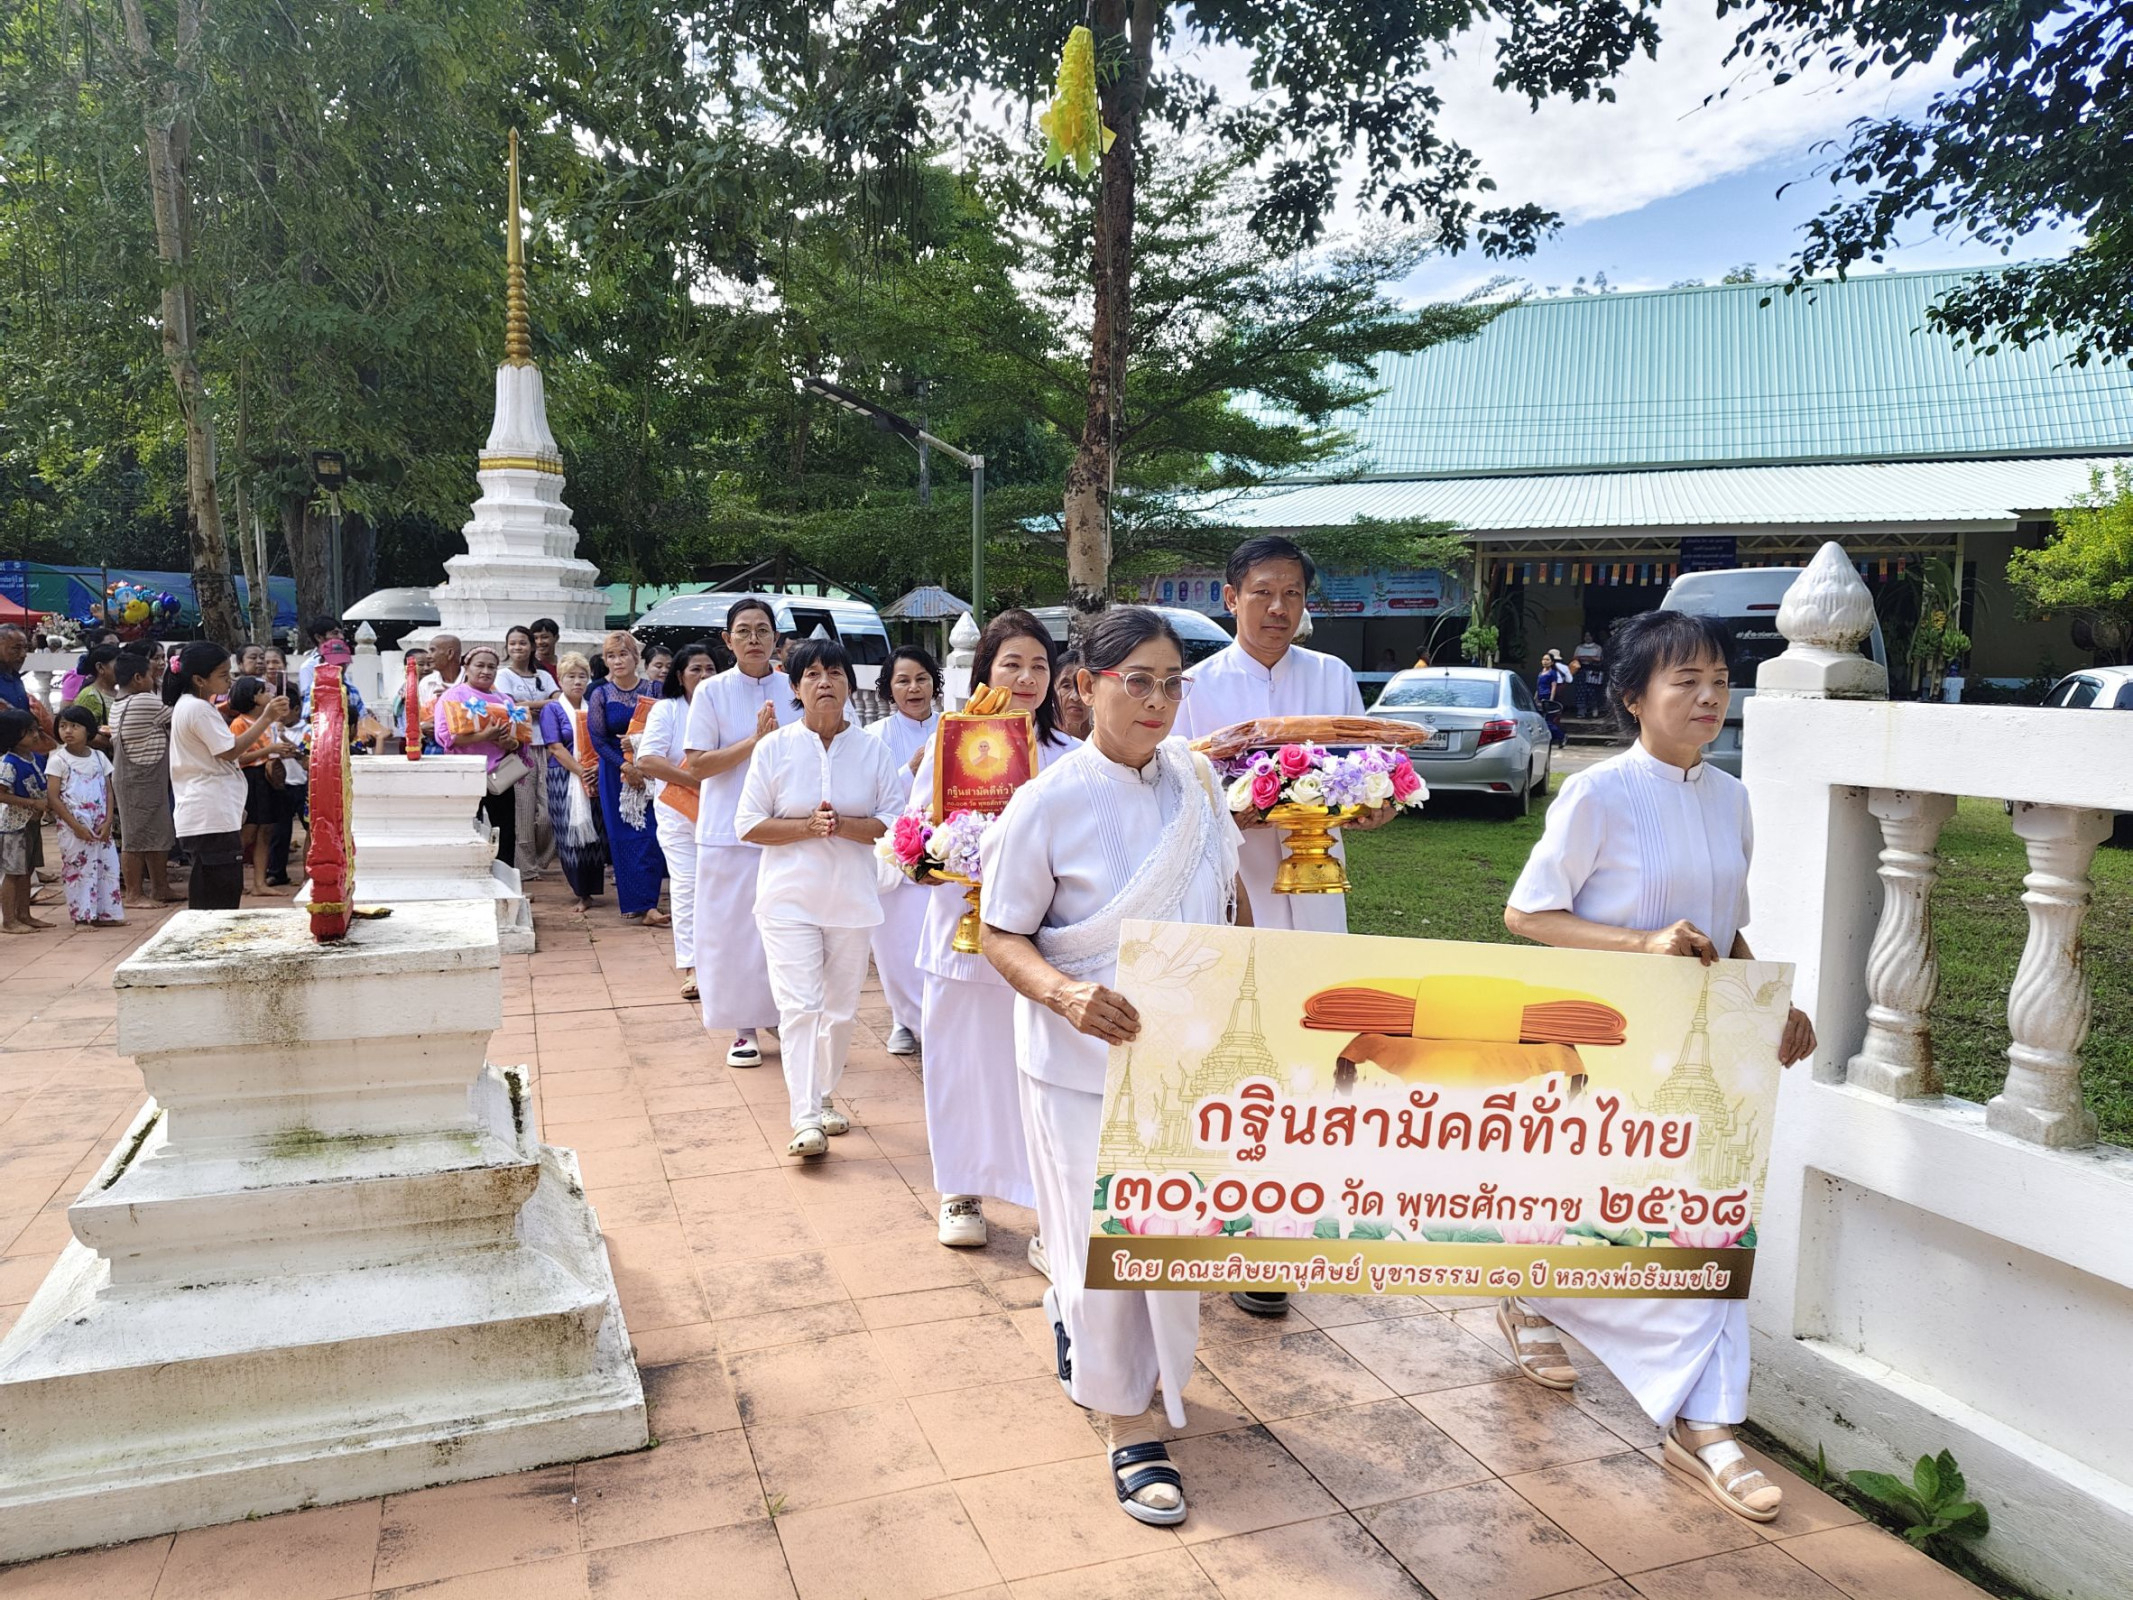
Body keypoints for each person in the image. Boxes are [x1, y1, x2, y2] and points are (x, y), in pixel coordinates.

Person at [1502, 609, 1817, 1524]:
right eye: (1683, 680)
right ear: (1634, 696)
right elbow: (1529, 914)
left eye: (1718, 678)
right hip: (1605, 1045)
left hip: (1706, 1054)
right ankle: (1529, 1298)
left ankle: (1705, 1423)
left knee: (1707, 1223)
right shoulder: (1595, 794)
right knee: (1598, 1207)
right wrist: (1639, 943)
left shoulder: (1729, 797)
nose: (1708, 695)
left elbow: (1725, 924)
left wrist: (1771, 1001)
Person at [981, 605, 1244, 1528]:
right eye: (1137, 680)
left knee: (1168, 1244)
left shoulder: (1200, 784)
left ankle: (1112, 1357)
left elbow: (1230, 897)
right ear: (1085, 686)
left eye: (1173, 683)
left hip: (1183, 1062)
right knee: (1106, 1251)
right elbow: (998, 931)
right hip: (1077, 1064)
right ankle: (1125, 1423)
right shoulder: (1043, 801)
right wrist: (1065, 996)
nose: (1158, 701)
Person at [1175, 535, 1391, 1318]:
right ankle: (1224, 1217)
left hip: (1317, 889)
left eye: (1293, 594)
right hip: (1235, 893)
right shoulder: (1195, 686)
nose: (1277, 608)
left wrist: (1370, 804)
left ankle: (1274, 1236)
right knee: (1236, 1053)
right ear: (1229, 598)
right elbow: (1182, 794)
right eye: (1262, 592)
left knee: (1309, 1050)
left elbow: (1367, 782)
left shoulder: (1330, 676)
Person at [908, 609, 1077, 1252]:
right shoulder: (953, 745)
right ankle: (960, 1192)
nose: (1027, 677)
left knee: (1038, 1078)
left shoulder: (1072, 756)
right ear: (984, 671)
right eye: (1012, 663)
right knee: (960, 1067)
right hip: (961, 936)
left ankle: (1047, 1217)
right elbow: (914, 835)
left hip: (1045, 944)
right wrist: (939, 855)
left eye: (1039, 664)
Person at [736, 639, 908, 1158]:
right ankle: (804, 1115)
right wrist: (807, 827)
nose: (825, 681)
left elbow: (895, 823)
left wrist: (844, 826)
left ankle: (823, 1095)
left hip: (853, 899)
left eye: (834, 672)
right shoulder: (774, 748)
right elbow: (747, 825)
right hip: (787, 900)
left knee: (839, 1010)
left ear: (849, 685)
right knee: (799, 1007)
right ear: (795, 688)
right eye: (811, 674)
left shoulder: (873, 750)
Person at [685, 598, 800, 1067]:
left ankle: (782, 1016)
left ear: (776, 638)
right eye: (744, 631)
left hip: (787, 829)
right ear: (728, 639)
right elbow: (696, 764)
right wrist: (754, 743)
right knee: (731, 934)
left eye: (762, 630)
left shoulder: (796, 687)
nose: (754, 639)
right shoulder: (711, 691)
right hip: (726, 832)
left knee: (785, 928)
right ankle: (742, 1028)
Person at [166, 642, 290, 911]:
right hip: (208, 811)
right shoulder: (197, 709)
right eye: (223, 675)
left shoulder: (194, 706)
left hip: (210, 809)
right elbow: (230, 750)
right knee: (217, 896)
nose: (229, 680)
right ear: (200, 679)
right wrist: (266, 718)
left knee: (216, 889)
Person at [865, 645, 941, 1055]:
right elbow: (870, 796)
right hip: (895, 853)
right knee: (896, 947)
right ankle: (902, 1018)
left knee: (934, 942)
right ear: (888, 689)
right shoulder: (874, 738)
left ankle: (932, 1021)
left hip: (947, 852)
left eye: (922, 678)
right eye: (903, 681)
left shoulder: (953, 727)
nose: (914, 688)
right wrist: (909, 770)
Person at [634, 642, 715, 999]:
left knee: (726, 888)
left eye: (710, 669)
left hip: (723, 811)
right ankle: (693, 967)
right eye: (695, 669)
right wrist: (696, 780)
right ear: (680, 676)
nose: (703, 675)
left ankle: (726, 963)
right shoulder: (667, 710)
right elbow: (648, 761)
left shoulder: (724, 706)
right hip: (679, 812)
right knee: (687, 887)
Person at [588, 631, 668, 925]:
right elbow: (598, 739)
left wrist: (638, 747)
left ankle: (650, 903)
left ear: (636, 657)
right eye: (611, 656)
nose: (617, 661)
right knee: (624, 836)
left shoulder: (655, 689)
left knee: (652, 835)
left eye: (623, 654)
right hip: (615, 773)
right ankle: (635, 903)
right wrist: (625, 765)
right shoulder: (600, 693)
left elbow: (667, 727)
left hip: (652, 769)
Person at [435, 644, 528, 869]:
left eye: (492, 667)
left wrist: (509, 742)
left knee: (504, 828)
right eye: (480, 665)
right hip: (465, 773)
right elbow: (444, 736)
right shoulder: (452, 696)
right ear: (466, 667)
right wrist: (484, 735)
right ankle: (468, 873)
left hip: (500, 773)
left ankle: (504, 877)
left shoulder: (504, 699)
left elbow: (519, 740)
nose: (486, 671)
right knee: (468, 826)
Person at [538, 652, 607, 913]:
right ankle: (580, 891)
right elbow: (555, 747)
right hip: (564, 776)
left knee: (595, 834)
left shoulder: (594, 707)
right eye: (571, 677)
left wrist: (595, 768)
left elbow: (603, 741)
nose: (577, 682)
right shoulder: (552, 709)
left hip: (595, 773)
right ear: (560, 679)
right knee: (570, 834)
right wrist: (580, 770)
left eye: (582, 676)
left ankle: (592, 889)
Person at [109, 653, 179, 906]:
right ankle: (134, 894)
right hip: (138, 778)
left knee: (157, 833)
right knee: (135, 837)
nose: (154, 679)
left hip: (147, 777)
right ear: (138, 678)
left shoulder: (122, 701)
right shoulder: (142, 701)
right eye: (150, 675)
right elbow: (177, 714)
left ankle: (161, 888)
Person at [47, 705, 123, 926]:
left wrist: (108, 820)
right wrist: (75, 826)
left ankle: (106, 913)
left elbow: (108, 790)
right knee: (78, 869)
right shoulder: (58, 760)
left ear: (88, 730)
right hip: (74, 826)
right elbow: (53, 797)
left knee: (106, 867)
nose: (67, 731)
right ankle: (82, 916)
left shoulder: (99, 757)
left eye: (74, 726)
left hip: (100, 824)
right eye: (62, 726)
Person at [497, 625, 559, 881]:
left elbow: (559, 700)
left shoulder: (543, 676)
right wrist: (541, 706)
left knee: (549, 811)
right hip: (520, 749)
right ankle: (526, 869)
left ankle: (542, 859)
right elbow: (509, 706)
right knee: (523, 810)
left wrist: (529, 707)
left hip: (549, 746)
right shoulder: (503, 675)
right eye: (512, 643)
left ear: (532, 646)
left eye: (523, 643)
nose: (517, 648)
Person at [229, 676, 299, 897]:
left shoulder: (269, 724)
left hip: (268, 776)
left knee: (266, 831)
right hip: (251, 776)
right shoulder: (240, 723)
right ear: (254, 698)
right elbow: (238, 757)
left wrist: (284, 749)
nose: (269, 695)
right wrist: (269, 751)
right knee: (248, 831)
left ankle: (260, 883)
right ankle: (233, 878)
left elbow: (273, 746)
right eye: (264, 692)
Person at [0, 708, 50, 933]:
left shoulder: (34, 758)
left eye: (35, 730)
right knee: (13, 872)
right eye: (29, 732)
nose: (36, 736)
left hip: (32, 823)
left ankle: (24, 913)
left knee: (26, 870)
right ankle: (9, 919)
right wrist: (30, 803)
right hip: (14, 826)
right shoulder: (8, 763)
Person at [296, 617, 343, 702]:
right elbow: (308, 701)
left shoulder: (341, 662)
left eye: (341, 633)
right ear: (318, 637)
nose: (341, 637)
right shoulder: (308, 667)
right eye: (335, 633)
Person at [1052, 645, 1093, 742]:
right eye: (1066, 686)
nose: (1075, 697)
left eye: (1083, 687)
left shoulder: (1105, 746)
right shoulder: (1039, 743)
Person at [1572, 629, 1606, 718]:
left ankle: (1594, 708)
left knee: (1592, 691)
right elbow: (1575, 657)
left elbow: (1600, 659)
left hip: (1593, 670)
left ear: (1593, 637)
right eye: (1586, 636)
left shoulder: (1597, 647)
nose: (1587, 638)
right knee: (1581, 691)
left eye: (1589, 636)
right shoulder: (1579, 647)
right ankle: (1581, 710)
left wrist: (1589, 658)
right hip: (1582, 670)